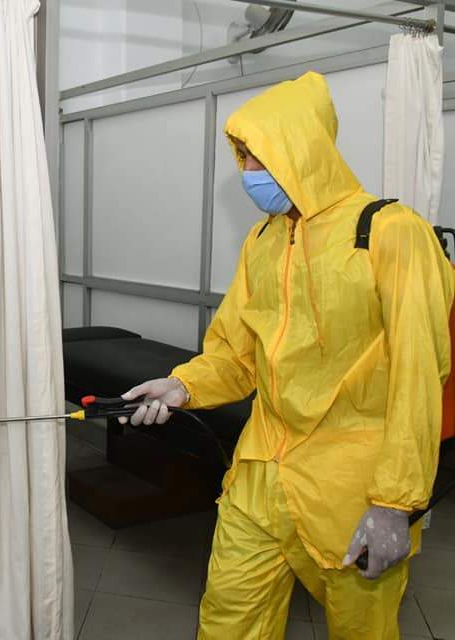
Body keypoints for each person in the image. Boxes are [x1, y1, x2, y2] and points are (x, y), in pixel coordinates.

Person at [122, 71, 454, 639]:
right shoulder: (262, 241)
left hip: (351, 487)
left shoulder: (390, 232)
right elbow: (236, 354)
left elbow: (420, 377)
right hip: (261, 472)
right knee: (228, 620)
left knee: (362, 631)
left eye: (259, 156)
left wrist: (396, 502)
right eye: (243, 157)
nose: (247, 171)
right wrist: (182, 386)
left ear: (302, 150)